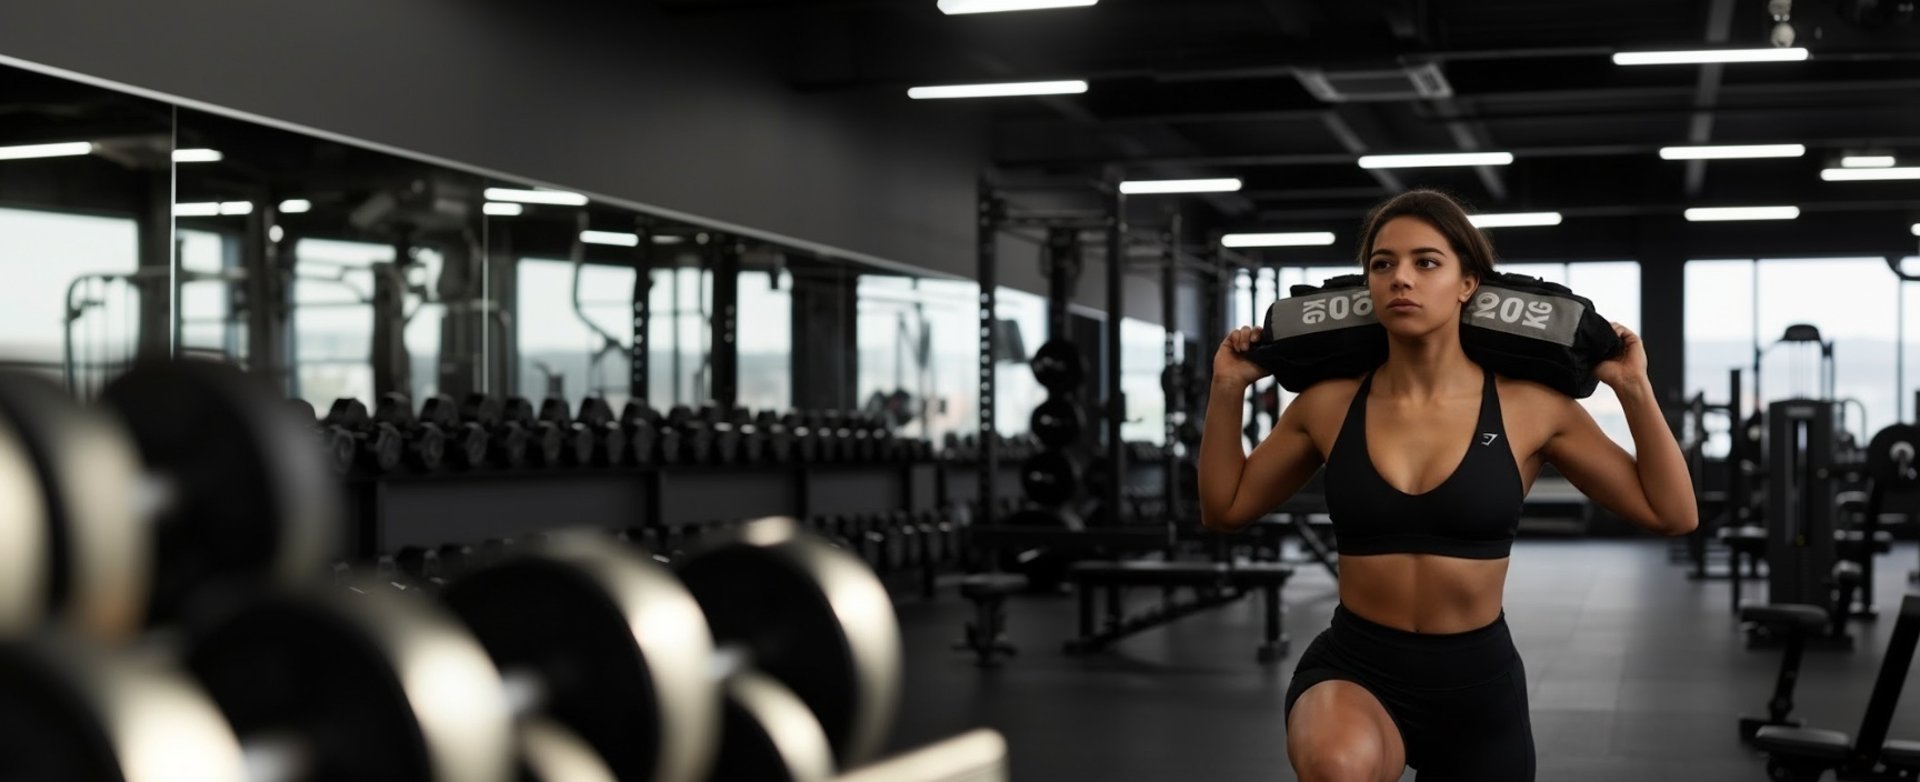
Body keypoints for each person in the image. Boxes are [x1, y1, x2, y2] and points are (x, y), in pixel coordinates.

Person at [1196, 190, 1698, 782]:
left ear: (1468, 284)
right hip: (1357, 668)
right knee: (1336, 765)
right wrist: (1227, 389)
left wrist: (1633, 387)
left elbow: (1672, 514)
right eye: (1382, 264)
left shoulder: (1531, 407)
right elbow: (1225, 509)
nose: (1400, 279)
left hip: (1477, 684)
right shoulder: (1326, 404)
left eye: (1426, 262)